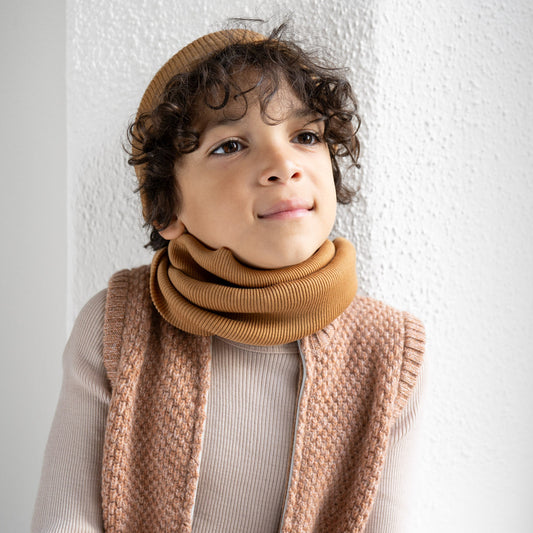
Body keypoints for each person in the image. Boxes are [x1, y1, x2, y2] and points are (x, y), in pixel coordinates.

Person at [32, 23, 425, 533]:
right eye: (230, 145)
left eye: (306, 136)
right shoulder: (115, 326)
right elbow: (66, 519)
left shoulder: (388, 349)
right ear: (166, 209)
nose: (283, 165)